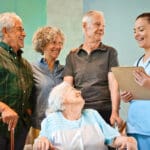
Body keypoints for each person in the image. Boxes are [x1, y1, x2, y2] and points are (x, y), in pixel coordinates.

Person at [33, 82, 137, 150]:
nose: (79, 91)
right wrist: (41, 141)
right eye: (72, 90)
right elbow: (41, 141)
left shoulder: (92, 114)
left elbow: (113, 138)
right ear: (61, 100)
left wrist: (126, 140)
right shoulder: (52, 120)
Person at [63, 10, 122, 126]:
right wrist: (68, 113)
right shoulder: (72, 56)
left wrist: (115, 112)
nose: (101, 28)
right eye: (97, 24)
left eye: (103, 26)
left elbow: (114, 85)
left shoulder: (110, 52)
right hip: (80, 111)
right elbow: (67, 88)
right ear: (84, 26)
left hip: (105, 110)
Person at [0, 12, 33, 149]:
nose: (24, 34)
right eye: (20, 29)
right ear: (5, 31)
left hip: (19, 131)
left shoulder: (25, 64)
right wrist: (3, 109)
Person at [120, 12, 150, 150]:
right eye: (135, 31)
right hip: (135, 128)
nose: (137, 34)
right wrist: (127, 96)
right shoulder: (137, 62)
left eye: (141, 29)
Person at [30, 26, 65, 139]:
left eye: (60, 43)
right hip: (39, 127)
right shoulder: (32, 68)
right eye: (53, 42)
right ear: (43, 45)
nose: (58, 47)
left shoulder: (65, 70)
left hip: (62, 127)